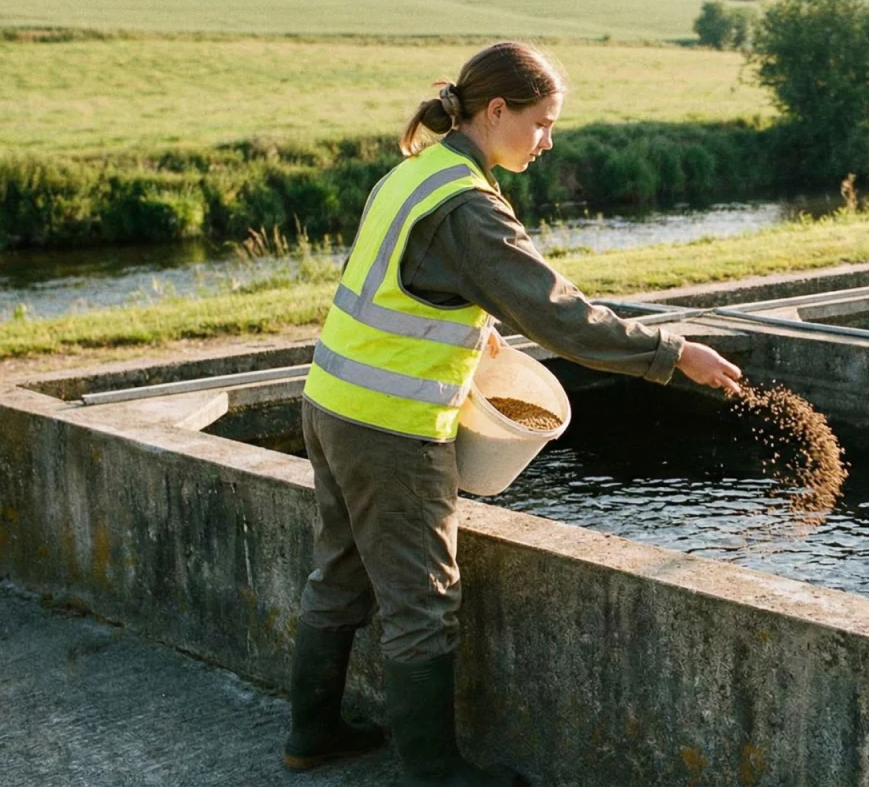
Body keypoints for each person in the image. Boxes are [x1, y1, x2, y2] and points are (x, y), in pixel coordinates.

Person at [282, 42, 742, 786]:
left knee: (339, 572)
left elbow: (397, 278)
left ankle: (313, 731)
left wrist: (470, 318)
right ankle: (435, 773)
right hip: (394, 429)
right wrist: (672, 353)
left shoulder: (418, 173)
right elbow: (562, 317)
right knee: (424, 601)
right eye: (541, 123)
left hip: (333, 402)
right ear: (497, 111)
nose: (548, 140)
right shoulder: (469, 207)